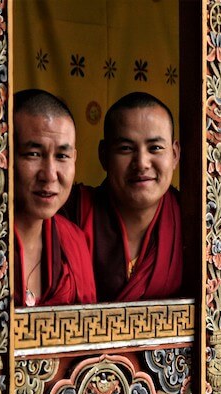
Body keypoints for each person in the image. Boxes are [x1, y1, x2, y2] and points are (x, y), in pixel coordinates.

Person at [63, 92, 182, 301]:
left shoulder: (195, 220)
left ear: (174, 155)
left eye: (155, 148)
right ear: (104, 155)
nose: (142, 163)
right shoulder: (71, 212)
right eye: (126, 149)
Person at [13, 89, 96, 306]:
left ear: (75, 159)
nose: (49, 175)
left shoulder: (75, 242)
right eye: (34, 154)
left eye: (62, 156)